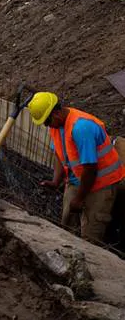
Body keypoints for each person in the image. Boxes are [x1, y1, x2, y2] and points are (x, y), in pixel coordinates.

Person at [31, 91, 125, 243]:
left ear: (55, 113)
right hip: (77, 180)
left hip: (101, 185)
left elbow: (90, 168)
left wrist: (79, 198)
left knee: (90, 238)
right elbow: (59, 155)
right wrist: (56, 181)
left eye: (46, 122)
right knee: (67, 229)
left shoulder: (81, 128)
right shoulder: (56, 127)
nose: (46, 125)